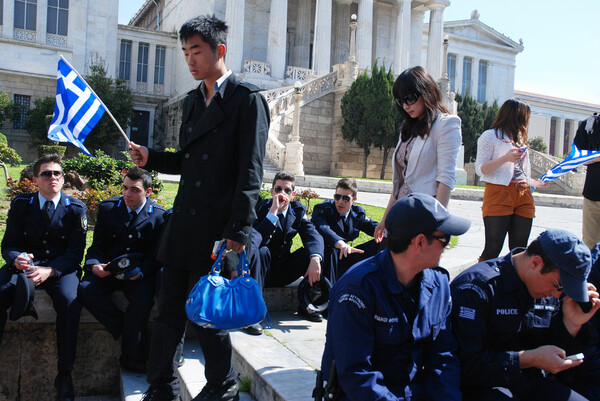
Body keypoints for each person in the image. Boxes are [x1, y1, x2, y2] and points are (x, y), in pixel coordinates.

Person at [129, 15, 269, 401]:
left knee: (209, 316)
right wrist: (150, 158)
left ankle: (222, 388)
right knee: (167, 314)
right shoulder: (193, 101)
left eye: (196, 52)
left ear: (218, 51)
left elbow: (251, 172)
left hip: (217, 231)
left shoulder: (247, 100)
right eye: (185, 52)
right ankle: (161, 388)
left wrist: (238, 232)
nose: (189, 61)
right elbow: (187, 162)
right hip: (182, 228)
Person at [321, 193, 471, 401]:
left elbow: (443, 357)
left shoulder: (438, 284)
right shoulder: (357, 289)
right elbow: (357, 376)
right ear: (419, 242)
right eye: (444, 239)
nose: (446, 245)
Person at [450, 229, 600, 401]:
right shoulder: (477, 288)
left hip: (530, 384)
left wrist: (572, 324)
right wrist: (527, 359)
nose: (558, 294)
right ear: (536, 263)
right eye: (557, 285)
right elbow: (467, 364)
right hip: (480, 387)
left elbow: (555, 351)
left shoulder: (548, 292)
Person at [0, 154, 87, 401]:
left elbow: (75, 252)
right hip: (26, 266)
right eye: (46, 174)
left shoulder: (75, 209)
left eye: (57, 174)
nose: (53, 178)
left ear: (62, 178)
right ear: (36, 179)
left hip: (60, 269)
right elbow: (9, 244)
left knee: (70, 302)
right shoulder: (21, 205)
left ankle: (65, 376)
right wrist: (16, 258)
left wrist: (51, 271)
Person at [78, 166, 167, 373]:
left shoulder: (159, 216)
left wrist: (142, 272)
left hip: (138, 273)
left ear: (148, 191)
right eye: (125, 188)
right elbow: (97, 245)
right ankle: (125, 328)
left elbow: (156, 256)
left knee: (143, 300)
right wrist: (95, 264)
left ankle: (131, 357)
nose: (127, 194)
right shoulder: (108, 208)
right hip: (109, 270)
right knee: (85, 290)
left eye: (135, 190)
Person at [374, 66, 462, 243]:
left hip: (424, 213)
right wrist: (385, 219)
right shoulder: (407, 128)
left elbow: (445, 179)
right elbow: (402, 181)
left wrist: (438, 223)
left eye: (410, 98)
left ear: (427, 92)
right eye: (401, 101)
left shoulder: (447, 124)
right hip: (401, 213)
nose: (406, 105)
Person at [475, 99, 548, 261]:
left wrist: (535, 182)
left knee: (520, 249)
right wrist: (506, 158)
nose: (525, 122)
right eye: (524, 117)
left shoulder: (519, 140)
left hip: (523, 193)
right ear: (513, 117)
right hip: (499, 193)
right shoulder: (490, 136)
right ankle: (480, 281)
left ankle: (515, 284)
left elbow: (519, 173)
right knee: (493, 248)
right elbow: (480, 168)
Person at [251, 171, 325, 324]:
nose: (282, 194)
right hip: (261, 271)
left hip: (282, 270)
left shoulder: (296, 211)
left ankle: (307, 306)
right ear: (272, 191)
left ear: (293, 194)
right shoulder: (262, 208)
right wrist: (273, 212)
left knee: (310, 253)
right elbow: (256, 239)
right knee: (262, 251)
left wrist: (315, 257)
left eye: (287, 190)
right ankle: (253, 314)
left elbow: (312, 234)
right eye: (278, 189)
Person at [310, 178, 379, 282]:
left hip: (346, 256)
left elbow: (376, 229)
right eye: (337, 197)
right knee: (332, 249)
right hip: (326, 258)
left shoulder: (357, 214)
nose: (340, 202)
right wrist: (340, 243)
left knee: (384, 240)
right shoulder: (324, 209)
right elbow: (323, 228)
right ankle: (330, 293)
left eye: (346, 198)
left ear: (354, 199)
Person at [573, 114, 600, 249]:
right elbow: (579, 157)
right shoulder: (589, 125)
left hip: (592, 192)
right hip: (592, 194)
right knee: (589, 243)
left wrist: (593, 157)